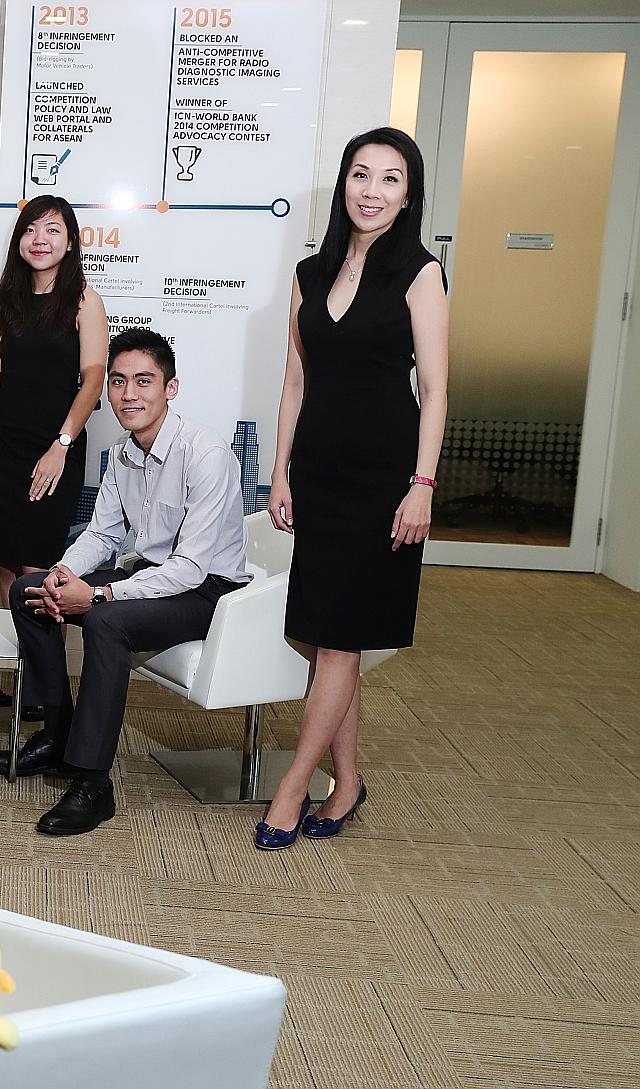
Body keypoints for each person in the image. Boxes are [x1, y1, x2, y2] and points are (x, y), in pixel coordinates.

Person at [258, 126, 448, 850]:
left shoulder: (420, 272)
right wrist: (280, 469)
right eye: (361, 175)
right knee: (332, 634)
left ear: (409, 195)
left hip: (384, 478)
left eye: (390, 179)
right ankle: (349, 782)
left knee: (339, 640)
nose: (372, 190)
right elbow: (296, 380)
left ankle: (292, 786)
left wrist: (422, 483)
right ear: (344, 185)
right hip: (321, 472)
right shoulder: (312, 272)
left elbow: (434, 389)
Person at [0, 328, 249, 836]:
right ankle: (57, 735)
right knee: (27, 591)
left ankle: (91, 781)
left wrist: (100, 593)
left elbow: (190, 568)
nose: (129, 394)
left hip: (209, 590)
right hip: (150, 576)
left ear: (171, 388)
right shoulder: (124, 454)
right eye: (119, 382)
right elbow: (102, 534)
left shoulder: (205, 453)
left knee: (105, 621)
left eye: (144, 381)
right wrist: (63, 574)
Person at [0, 196, 107, 714]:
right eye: (31, 229)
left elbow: (93, 378)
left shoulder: (83, 300)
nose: (40, 239)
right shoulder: (7, 300)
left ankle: (51, 688)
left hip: (56, 448)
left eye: (52, 229)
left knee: (41, 568)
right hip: (5, 446)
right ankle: (26, 673)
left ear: (70, 241)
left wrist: (62, 445)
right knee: (7, 563)